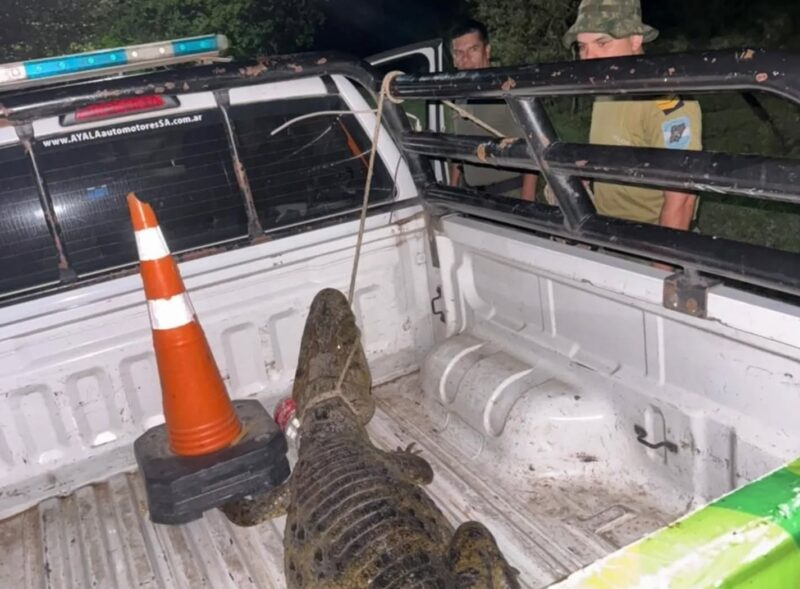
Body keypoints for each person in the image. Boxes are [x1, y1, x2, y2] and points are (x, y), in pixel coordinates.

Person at [563, 0, 702, 230]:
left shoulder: (666, 103)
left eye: (602, 43)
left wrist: (657, 255)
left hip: (647, 237)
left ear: (636, 39)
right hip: (603, 228)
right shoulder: (607, 89)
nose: (588, 57)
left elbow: (681, 201)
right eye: (582, 47)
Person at [448, 19, 538, 201]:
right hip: (471, 195)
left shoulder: (509, 89)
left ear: (487, 50)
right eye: (459, 53)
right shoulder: (459, 95)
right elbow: (458, 148)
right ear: (454, 59)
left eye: (473, 50)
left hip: (509, 193)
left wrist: (527, 199)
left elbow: (534, 143)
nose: (466, 59)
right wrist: (452, 189)